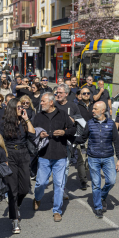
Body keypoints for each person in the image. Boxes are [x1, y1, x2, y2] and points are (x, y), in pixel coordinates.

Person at [32, 93, 76, 222]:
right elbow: (32, 132)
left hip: (60, 155)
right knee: (41, 182)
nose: (41, 103)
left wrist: (64, 132)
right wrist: (39, 135)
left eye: (43, 101)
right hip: (44, 155)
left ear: (51, 102)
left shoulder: (62, 114)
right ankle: (38, 198)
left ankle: (57, 210)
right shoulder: (38, 116)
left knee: (59, 184)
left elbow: (73, 129)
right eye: (41, 101)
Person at [75, 101, 119, 218]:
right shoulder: (90, 123)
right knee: (96, 184)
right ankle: (98, 207)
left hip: (108, 158)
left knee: (111, 181)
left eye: (95, 109)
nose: (92, 110)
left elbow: (116, 142)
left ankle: (102, 195)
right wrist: (68, 137)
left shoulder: (111, 124)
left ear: (102, 110)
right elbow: (83, 138)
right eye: (93, 109)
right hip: (93, 158)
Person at [0, 99, 35, 233]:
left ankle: (16, 205)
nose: (22, 108)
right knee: (12, 189)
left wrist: (27, 119)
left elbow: (32, 135)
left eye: (22, 106)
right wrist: (2, 158)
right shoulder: (3, 123)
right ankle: (14, 220)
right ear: (13, 108)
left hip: (24, 154)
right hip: (10, 154)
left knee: (25, 188)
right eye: (19, 107)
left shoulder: (24, 120)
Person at [55, 83, 81, 199]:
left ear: (66, 94)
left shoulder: (73, 106)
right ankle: (57, 190)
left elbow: (82, 123)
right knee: (55, 169)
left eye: (60, 92)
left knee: (65, 168)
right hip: (53, 141)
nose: (58, 94)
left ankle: (61, 191)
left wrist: (73, 120)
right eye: (57, 92)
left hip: (68, 142)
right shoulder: (53, 104)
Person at [75, 87, 94, 190]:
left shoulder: (94, 106)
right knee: (81, 159)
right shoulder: (77, 107)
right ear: (80, 96)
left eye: (88, 93)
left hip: (93, 137)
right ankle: (83, 180)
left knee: (91, 159)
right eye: (84, 93)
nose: (86, 94)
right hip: (82, 137)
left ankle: (87, 171)